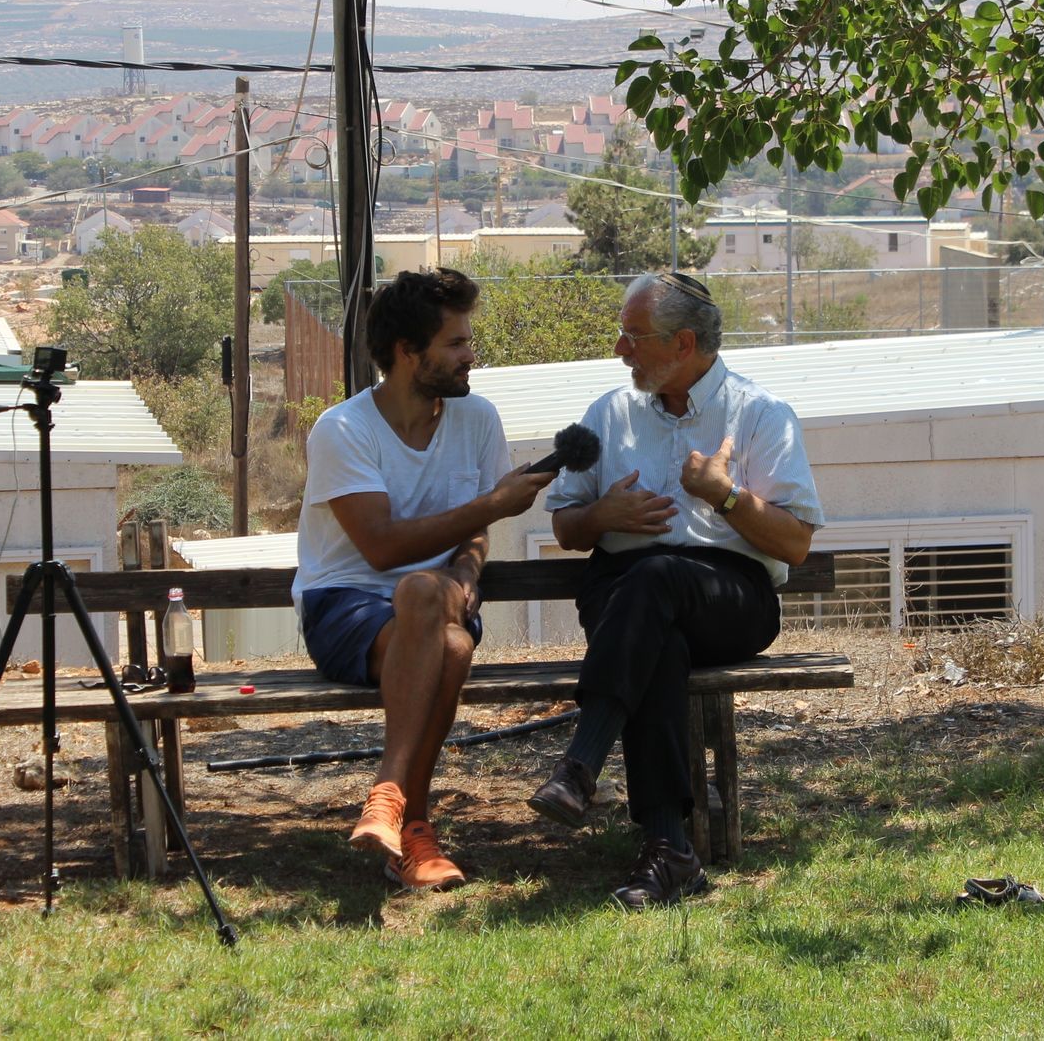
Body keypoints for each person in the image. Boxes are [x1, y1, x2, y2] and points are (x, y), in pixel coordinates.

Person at [530, 271, 823, 909]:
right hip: (624, 597)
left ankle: (581, 763)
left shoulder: (759, 414)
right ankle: (671, 853)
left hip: (729, 595)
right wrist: (600, 518)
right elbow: (566, 525)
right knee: (654, 635)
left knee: (657, 581)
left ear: (683, 343)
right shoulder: (608, 412)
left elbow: (795, 543)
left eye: (634, 337)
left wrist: (726, 495)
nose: (618, 349)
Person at [293, 267, 553, 892]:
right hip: (345, 603)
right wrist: (493, 506)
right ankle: (415, 822)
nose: (472, 355)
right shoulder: (343, 430)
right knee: (433, 614)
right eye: (456, 343)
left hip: (442, 599)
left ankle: (389, 805)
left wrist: (468, 570)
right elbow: (381, 549)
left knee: (434, 602)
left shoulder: (477, 418)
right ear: (409, 353)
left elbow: (472, 538)